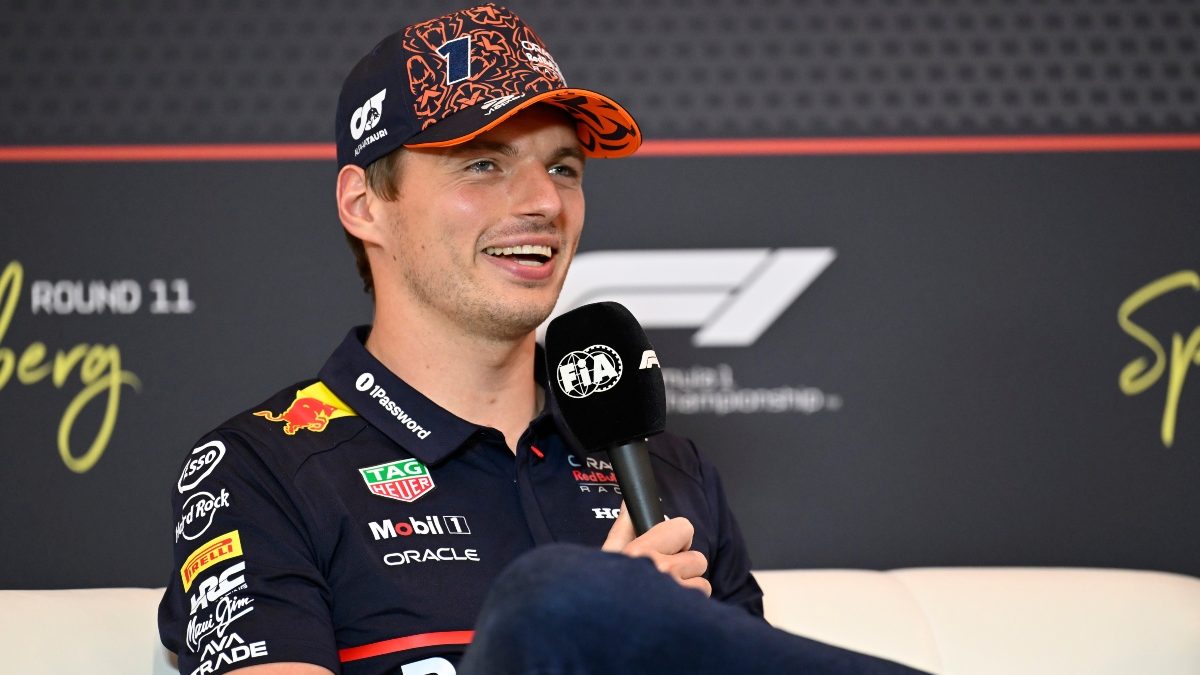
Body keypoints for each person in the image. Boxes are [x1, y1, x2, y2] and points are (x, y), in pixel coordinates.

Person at [159, 5, 926, 674]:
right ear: (365, 204)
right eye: (483, 163)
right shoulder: (262, 470)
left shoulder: (668, 471)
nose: (542, 202)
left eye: (564, 167)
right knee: (553, 604)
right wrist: (588, 634)